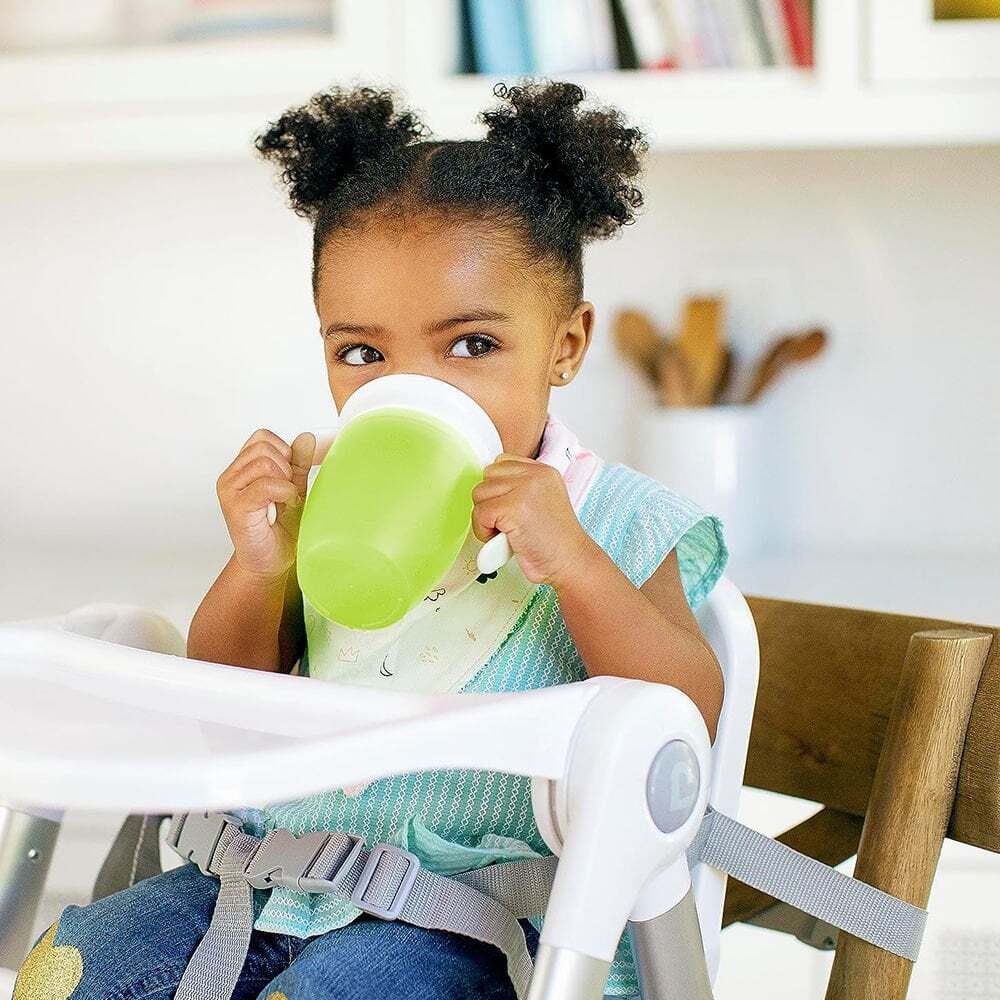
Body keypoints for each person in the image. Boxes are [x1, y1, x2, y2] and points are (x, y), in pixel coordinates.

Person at [15, 79, 727, 1000]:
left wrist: (579, 567)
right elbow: (228, 708)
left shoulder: (615, 517)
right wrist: (259, 566)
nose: (413, 386)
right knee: (69, 969)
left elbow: (684, 718)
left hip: (468, 920)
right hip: (257, 879)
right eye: (363, 354)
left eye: (471, 345)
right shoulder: (329, 500)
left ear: (566, 344)